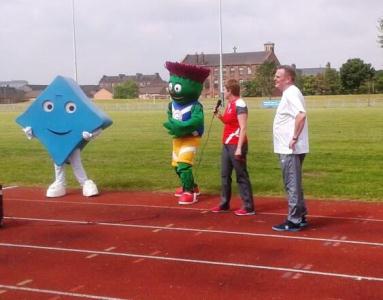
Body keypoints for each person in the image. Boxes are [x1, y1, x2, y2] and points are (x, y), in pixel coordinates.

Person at [163, 61, 210, 205]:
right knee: (176, 166)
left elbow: (197, 121)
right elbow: (170, 116)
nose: (173, 90)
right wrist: (173, 125)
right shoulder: (172, 104)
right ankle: (191, 186)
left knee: (184, 164)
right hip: (177, 139)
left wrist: (182, 126)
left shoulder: (196, 106)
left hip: (191, 138)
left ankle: (189, 192)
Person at [272, 65, 309, 232]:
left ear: (288, 78)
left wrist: (294, 137)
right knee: (295, 183)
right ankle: (300, 216)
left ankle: (293, 220)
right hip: (290, 148)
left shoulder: (291, 93)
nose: (275, 79)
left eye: (278, 76)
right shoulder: (290, 93)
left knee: (291, 184)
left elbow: (301, 114)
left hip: (290, 149)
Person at [211, 79, 255, 216]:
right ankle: (224, 203)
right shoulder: (229, 104)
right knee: (224, 175)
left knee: (241, 175)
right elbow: (229, 122)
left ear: (230, 90)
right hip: (226, 143)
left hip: (236, 144)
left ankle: (248, 207)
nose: (223, 91)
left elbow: (243, 127)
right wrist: (219, 116)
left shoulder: (240, 103)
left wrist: (239, 148)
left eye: (224, 89)